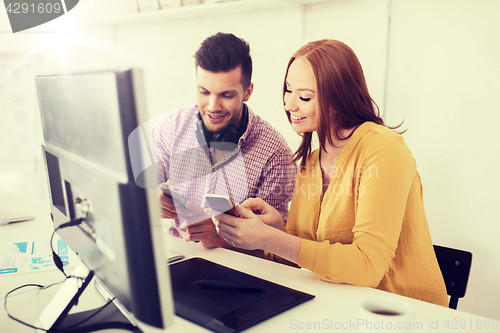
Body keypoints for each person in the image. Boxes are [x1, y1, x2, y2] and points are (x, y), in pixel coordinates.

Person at [210, 39, 449, 306]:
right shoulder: (311, 162)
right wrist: (277, 228)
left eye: (304, 97)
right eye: (288, 90)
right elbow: (309, 255)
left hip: (402, 311)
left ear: (339, 97)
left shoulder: (383, 149)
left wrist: (272, 239)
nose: (289, 105)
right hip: (340, 306)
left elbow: (368, 265)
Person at [152, 32, 296, 249]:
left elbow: (274, 250)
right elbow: (131, 196)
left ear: (247, 92)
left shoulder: (275, 151)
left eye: (226, 95)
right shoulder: (172, 128)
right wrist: (150, 199)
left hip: (238, 272)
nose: (212, 106)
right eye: (204, 92)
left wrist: (219, 240)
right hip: (175, 254)